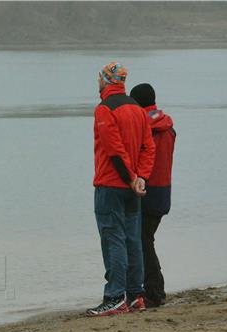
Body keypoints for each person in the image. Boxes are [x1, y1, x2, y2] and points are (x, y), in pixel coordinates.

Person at [87, 62, 156, 317]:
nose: (98, 83)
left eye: (99, 78)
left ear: (106, 80)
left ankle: (115, 297)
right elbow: (149, 147)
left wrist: (131, 178)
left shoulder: (104, 109)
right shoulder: (138, 109)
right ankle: (135, 295)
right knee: (132, 239)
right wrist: (142, 178)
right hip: (132, 187)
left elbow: (113, 148)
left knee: (113, 238)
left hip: (111, 184)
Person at [130, 83, 176, 307]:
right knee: (145, 239)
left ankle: (155, 291)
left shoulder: (143, 127)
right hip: (164, 189)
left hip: (147, 188)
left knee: (143, 241)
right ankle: (153, 288)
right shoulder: (167, 125)